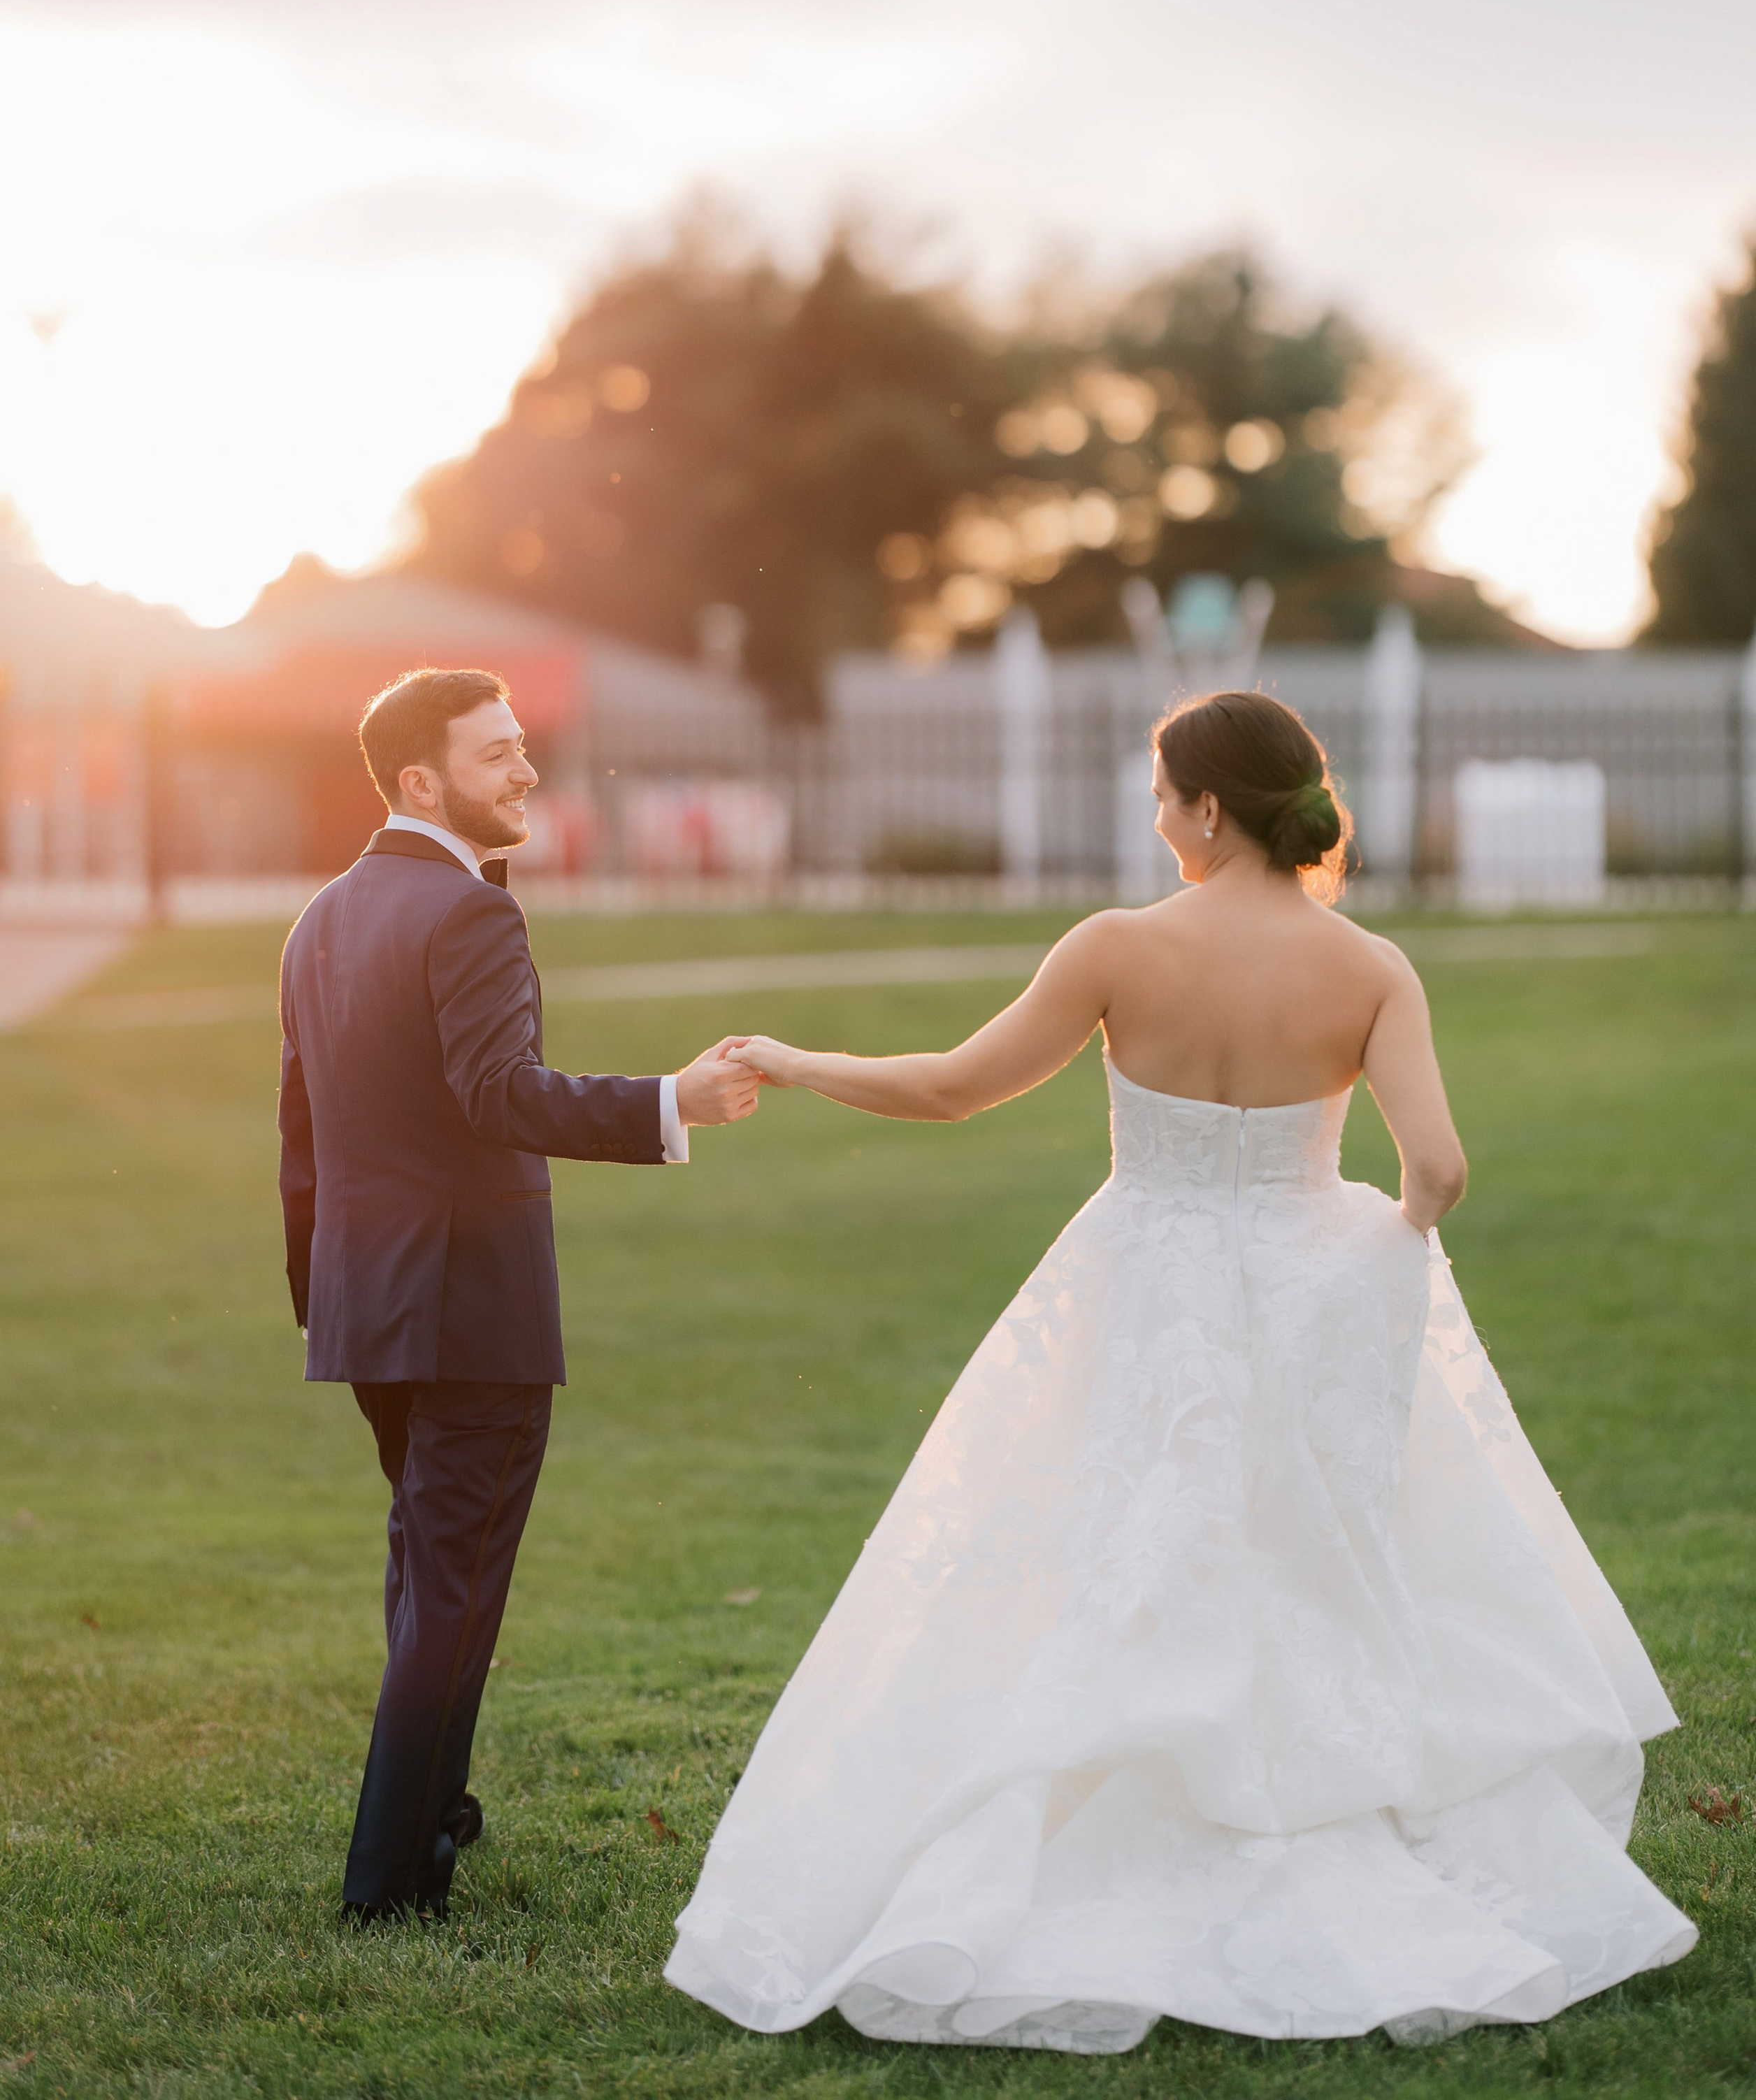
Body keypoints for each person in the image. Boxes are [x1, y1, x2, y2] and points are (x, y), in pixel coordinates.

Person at [665, 689, 1694, 2050]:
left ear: (1210, 807)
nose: (1155, 822)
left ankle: (1109, 1819)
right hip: (1303, 1285)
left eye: (1162, 798)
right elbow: (1435, 1173)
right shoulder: (1369, 967)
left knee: (1115, 1552)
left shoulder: (1113, 948)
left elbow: (952, 1088)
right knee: (1299, 1562)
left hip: (1140, 1287)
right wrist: (1368, 1257)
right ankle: (1313, 1806)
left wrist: (792, 1060)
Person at [278, 666, 761, 1922]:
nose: (527, 770)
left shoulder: (318, 918)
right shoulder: (471, 914)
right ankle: (387, 1887)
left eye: (521, 745)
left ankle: (436, 1813)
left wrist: (318, 1293)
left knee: (425, 1565)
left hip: (366, 1305)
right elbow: (503, 1093)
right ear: (425, 781)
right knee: (453, 1584)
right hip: (468, 1309)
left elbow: (301, 1140)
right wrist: (672, 1101)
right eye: (497, 755)